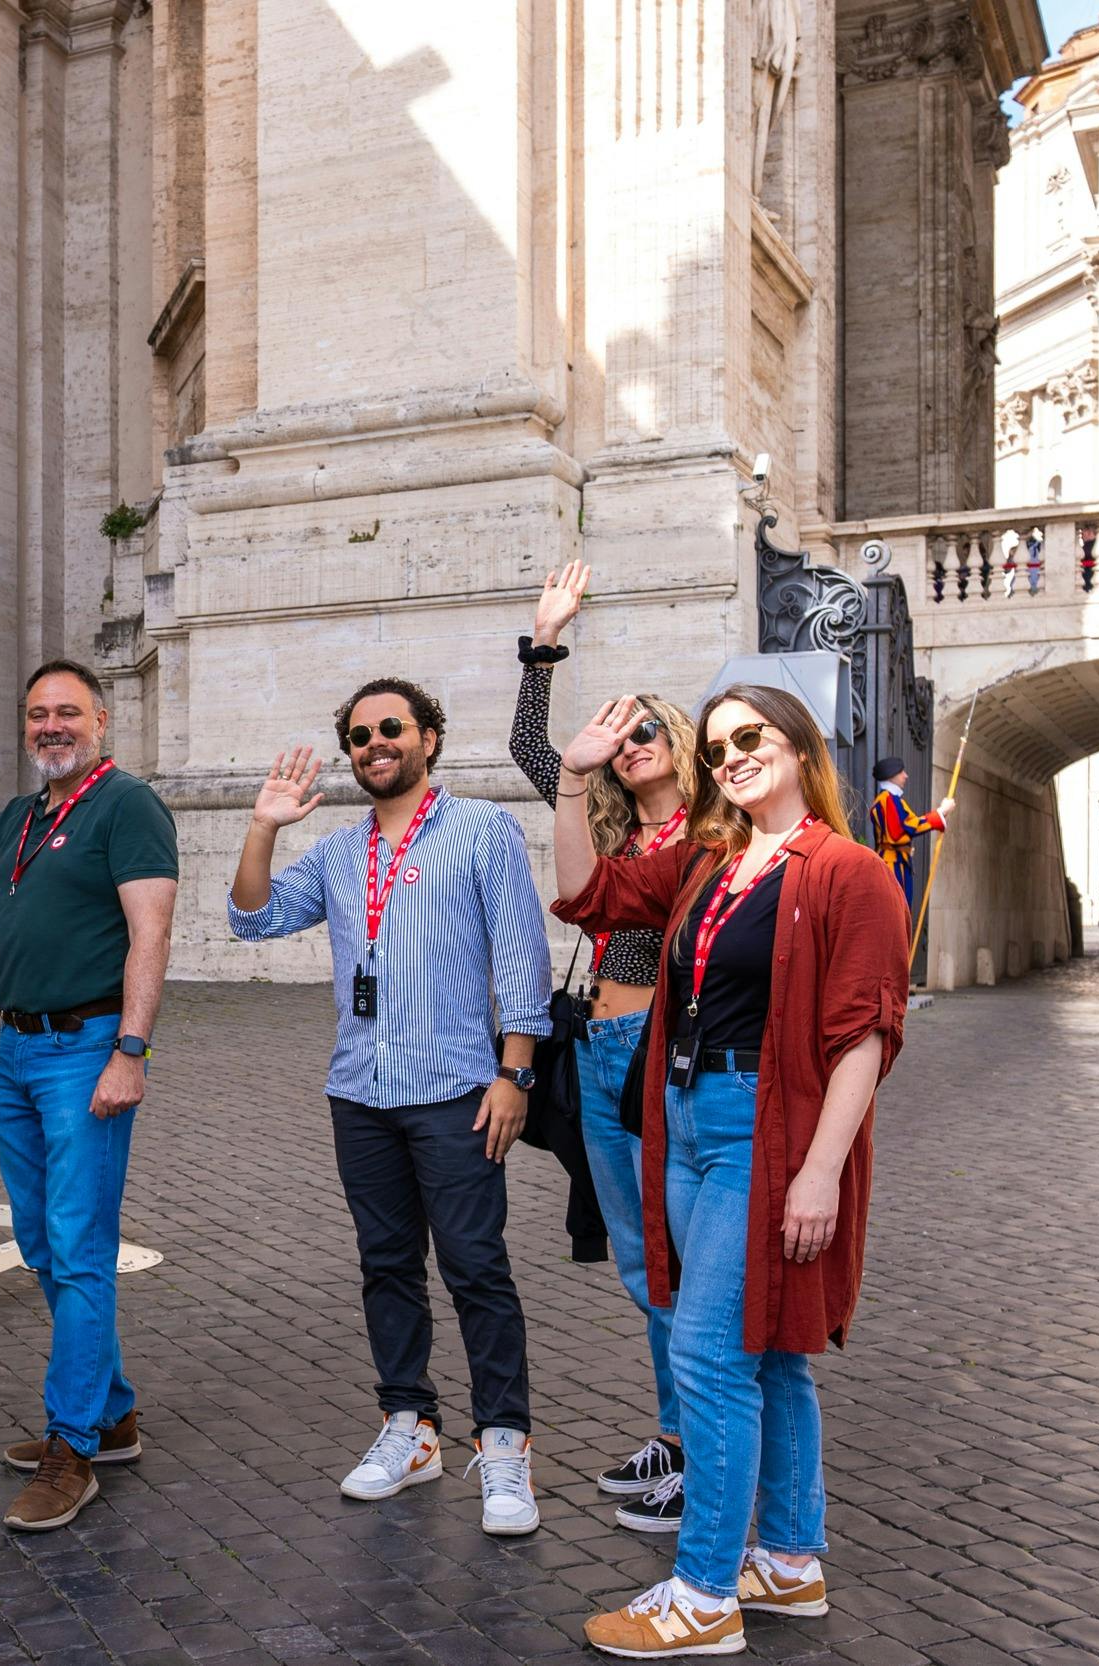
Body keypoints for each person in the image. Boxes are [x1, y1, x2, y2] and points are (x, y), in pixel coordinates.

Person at [552, 684, 910, 1659]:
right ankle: (790, 1561)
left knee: (708, 1356)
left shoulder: (848, 871)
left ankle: (703, 1590)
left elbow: (865, 1034)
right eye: (717, 748)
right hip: (683, 1115)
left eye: (750, 738)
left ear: (800, 747)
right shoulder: (711, 862)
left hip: (767, 1127)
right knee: (772, 1352)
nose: (732, 758)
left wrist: (817, 1172)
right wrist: (573, 776)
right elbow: (589, 898)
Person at [229, 677, 553, 1537]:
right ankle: (408, 1429)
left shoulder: (484, 830)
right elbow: (252, 922)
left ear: (429, 739)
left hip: (458, 1093)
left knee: (477, 1269)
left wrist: (514, 1076)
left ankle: (506, 1442)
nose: (376, 743)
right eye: (361, 735)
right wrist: (263, 822)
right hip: (360, 1094)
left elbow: (523, 960)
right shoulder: (338, 855)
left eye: (392, 729)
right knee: (386, 1267)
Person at [0, 661, 177, 1533]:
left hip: (86, 1052)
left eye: (68, 712)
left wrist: (129, 1052)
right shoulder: (23, 816)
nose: (51, 726)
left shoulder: (128, 805)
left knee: (78, 1247)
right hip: (20, 1050)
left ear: (101, 720)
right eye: (37, 715)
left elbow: (151, 933)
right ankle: (111, 1413)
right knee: (41, 1241)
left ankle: (72, 1446)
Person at [509, 561, 703, 1533]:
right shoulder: (611, 827)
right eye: (619, 737)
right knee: (635, 1258)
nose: (628, 746)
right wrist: (546, 641)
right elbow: (530, 750)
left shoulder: (710, 835)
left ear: (680, 742)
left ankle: (698, 1449)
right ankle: (674, 1433)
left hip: (655, 1052)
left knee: (668, 1255)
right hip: (591, 1044)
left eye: (644, 731)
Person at [868, 756, 954, 914]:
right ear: (892, 775)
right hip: (891, 864)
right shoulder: (887, 800)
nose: (905, 776)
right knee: (897, 911)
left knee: (902, 910)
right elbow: (901, 830)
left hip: (899, 861)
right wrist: (940, 813)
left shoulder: (892, 800)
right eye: (902, 772)